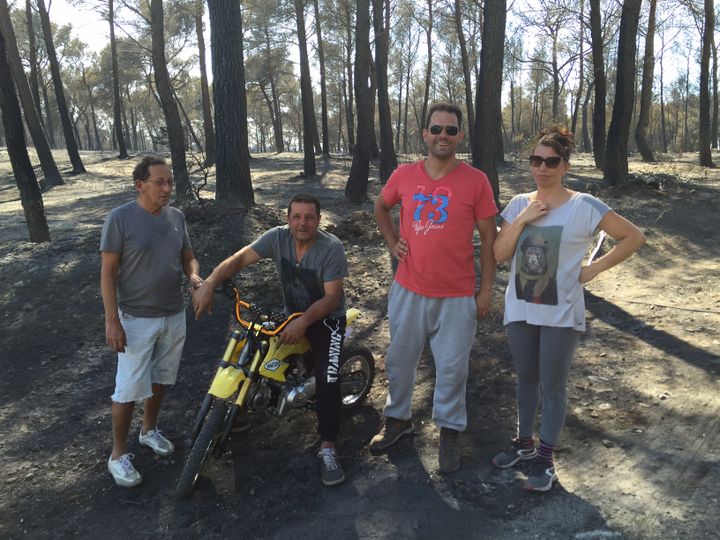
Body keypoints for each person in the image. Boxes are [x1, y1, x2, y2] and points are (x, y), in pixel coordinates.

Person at [491, 126, 645, 491]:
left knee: (553, 386)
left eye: (551, 161)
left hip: (560, 313)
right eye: (536, 161)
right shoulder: (517, 204)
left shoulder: (584, 205)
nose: (542, 168)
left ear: (565, 166)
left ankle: (545, 461)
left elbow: (634, 237)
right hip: (521, 309)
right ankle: (524, 444)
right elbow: (499, 254)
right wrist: (525, 217)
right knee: (526, 379)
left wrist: (593, 269)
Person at [371, 102, 498, 473]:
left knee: (453, 368)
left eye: (451, 130)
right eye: (437, 129)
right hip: (408, 289)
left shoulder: (476, 181)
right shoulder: (404, 175)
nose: (443, 135)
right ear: (425, 134)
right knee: (400, 361)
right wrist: (392, 241)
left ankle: (449, 431)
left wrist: (486, 289)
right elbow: (381, 207)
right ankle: (397, 420)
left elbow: (490, 237)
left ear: (460, 136)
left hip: (457, 296)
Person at [192, 193, 349, 487]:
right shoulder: (277, 238)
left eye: (309, 217)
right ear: (287, 218)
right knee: (253, 345)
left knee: (328, 378)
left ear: (318, 220)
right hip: (291, 315)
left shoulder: (331, 248)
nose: (302, 223)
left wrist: (304, 321)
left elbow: (332, 298)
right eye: (296, 217)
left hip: (326, 319)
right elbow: (239, 258)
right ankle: (238, 410)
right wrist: (211, 282)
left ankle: (328, 446)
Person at [101, 156, 201, 487]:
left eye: (169, 182)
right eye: (160, 182)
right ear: (139, 184)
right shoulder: (120, 219)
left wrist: (195, 277)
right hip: (135, 319)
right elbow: (108, 272)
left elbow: (188, 257)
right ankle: (118, 456)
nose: (167, 188)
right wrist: (112, 320)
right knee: (128, 388)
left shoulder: (176, 217)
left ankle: (148, 430)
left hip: (173, 314)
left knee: (161, 378)